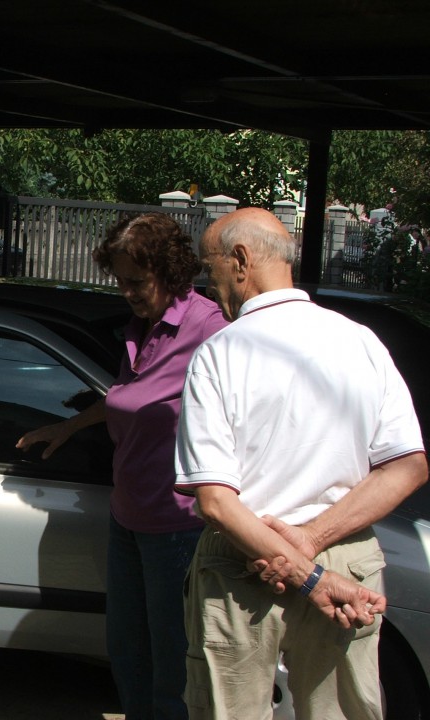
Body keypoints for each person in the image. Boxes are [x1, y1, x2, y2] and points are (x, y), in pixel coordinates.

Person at [174, 207, 428, 719]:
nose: (207, 284)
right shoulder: (362, 342)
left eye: (209, 266)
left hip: (246, 562)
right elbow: (408, 466)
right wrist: (311, 545)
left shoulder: (219, 353)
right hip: (346, 558)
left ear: (240, 260)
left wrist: (304, 564)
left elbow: (216, 502)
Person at [16, 212, 227, 719]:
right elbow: (128, 395)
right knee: (128, 653)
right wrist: (71, 425)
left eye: (137, 281)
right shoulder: (141, 326)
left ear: (169, 271)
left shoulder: (209, 327)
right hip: (127, 516)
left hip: (177, 524)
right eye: (120, 281)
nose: (127, 292)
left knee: (171, 663)